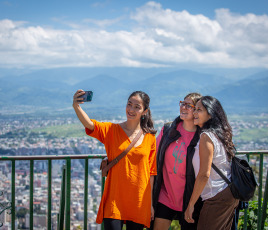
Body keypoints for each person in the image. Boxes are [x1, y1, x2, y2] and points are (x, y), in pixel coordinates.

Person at [73, 89, 157, 230]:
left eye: (137, 107)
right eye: (129, 104)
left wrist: (150, 204)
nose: (131, 109)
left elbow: (151, 173)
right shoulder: (112, 130)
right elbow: (90, 125)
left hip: (139, 199)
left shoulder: (150, 138)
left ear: (145, 112)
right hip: (115, 197)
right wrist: (76, 106)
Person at [184, 96, 239, 230]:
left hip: (217, 196)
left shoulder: (206, 136)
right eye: (195, 109)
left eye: (199, 110)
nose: (195, 113)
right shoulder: (219, 134)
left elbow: (204, 174)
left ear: (210, 114)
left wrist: (191, 204)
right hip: (227, 193)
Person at [151, 92, 203, 230]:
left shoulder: (202, 137)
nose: (183, 107)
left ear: (197, 110)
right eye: (182, 104)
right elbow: (150, 153)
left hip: (189, 199)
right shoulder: (169, 130)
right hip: (165, 194)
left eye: (189, 105)